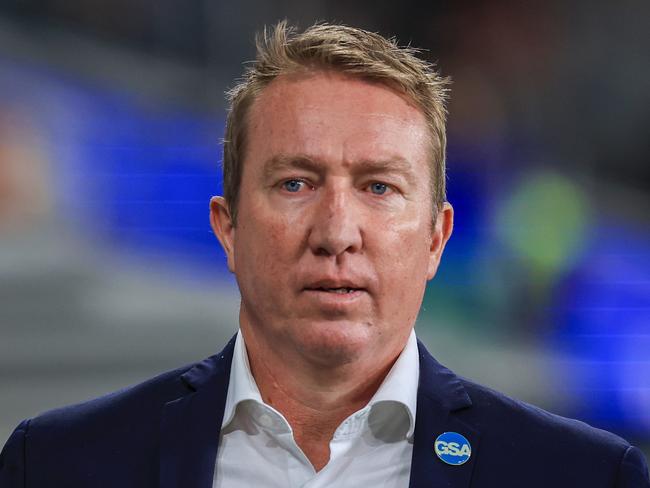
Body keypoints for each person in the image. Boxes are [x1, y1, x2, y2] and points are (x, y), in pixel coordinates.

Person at [1, 21, 648, 488]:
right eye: (295, 184)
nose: (337, 231)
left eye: (378, 187)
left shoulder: (586, 475)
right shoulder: (55, 465)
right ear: (227, 229)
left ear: (435, 238)